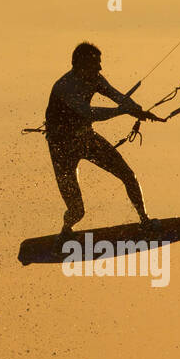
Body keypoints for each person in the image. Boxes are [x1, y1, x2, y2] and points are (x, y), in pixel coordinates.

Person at [43, 42, 160, 235]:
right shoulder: (64, 87)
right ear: (80, 64)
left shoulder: (95, 79)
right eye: (95, 63)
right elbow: (88, 113)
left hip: (86, 139)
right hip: (62, 148)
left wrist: (138, 111)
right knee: (77, 211)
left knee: (128, 176)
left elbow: (119, 97)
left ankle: (145, 221)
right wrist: (121, 111)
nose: (99, 68)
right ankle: (65, 231)